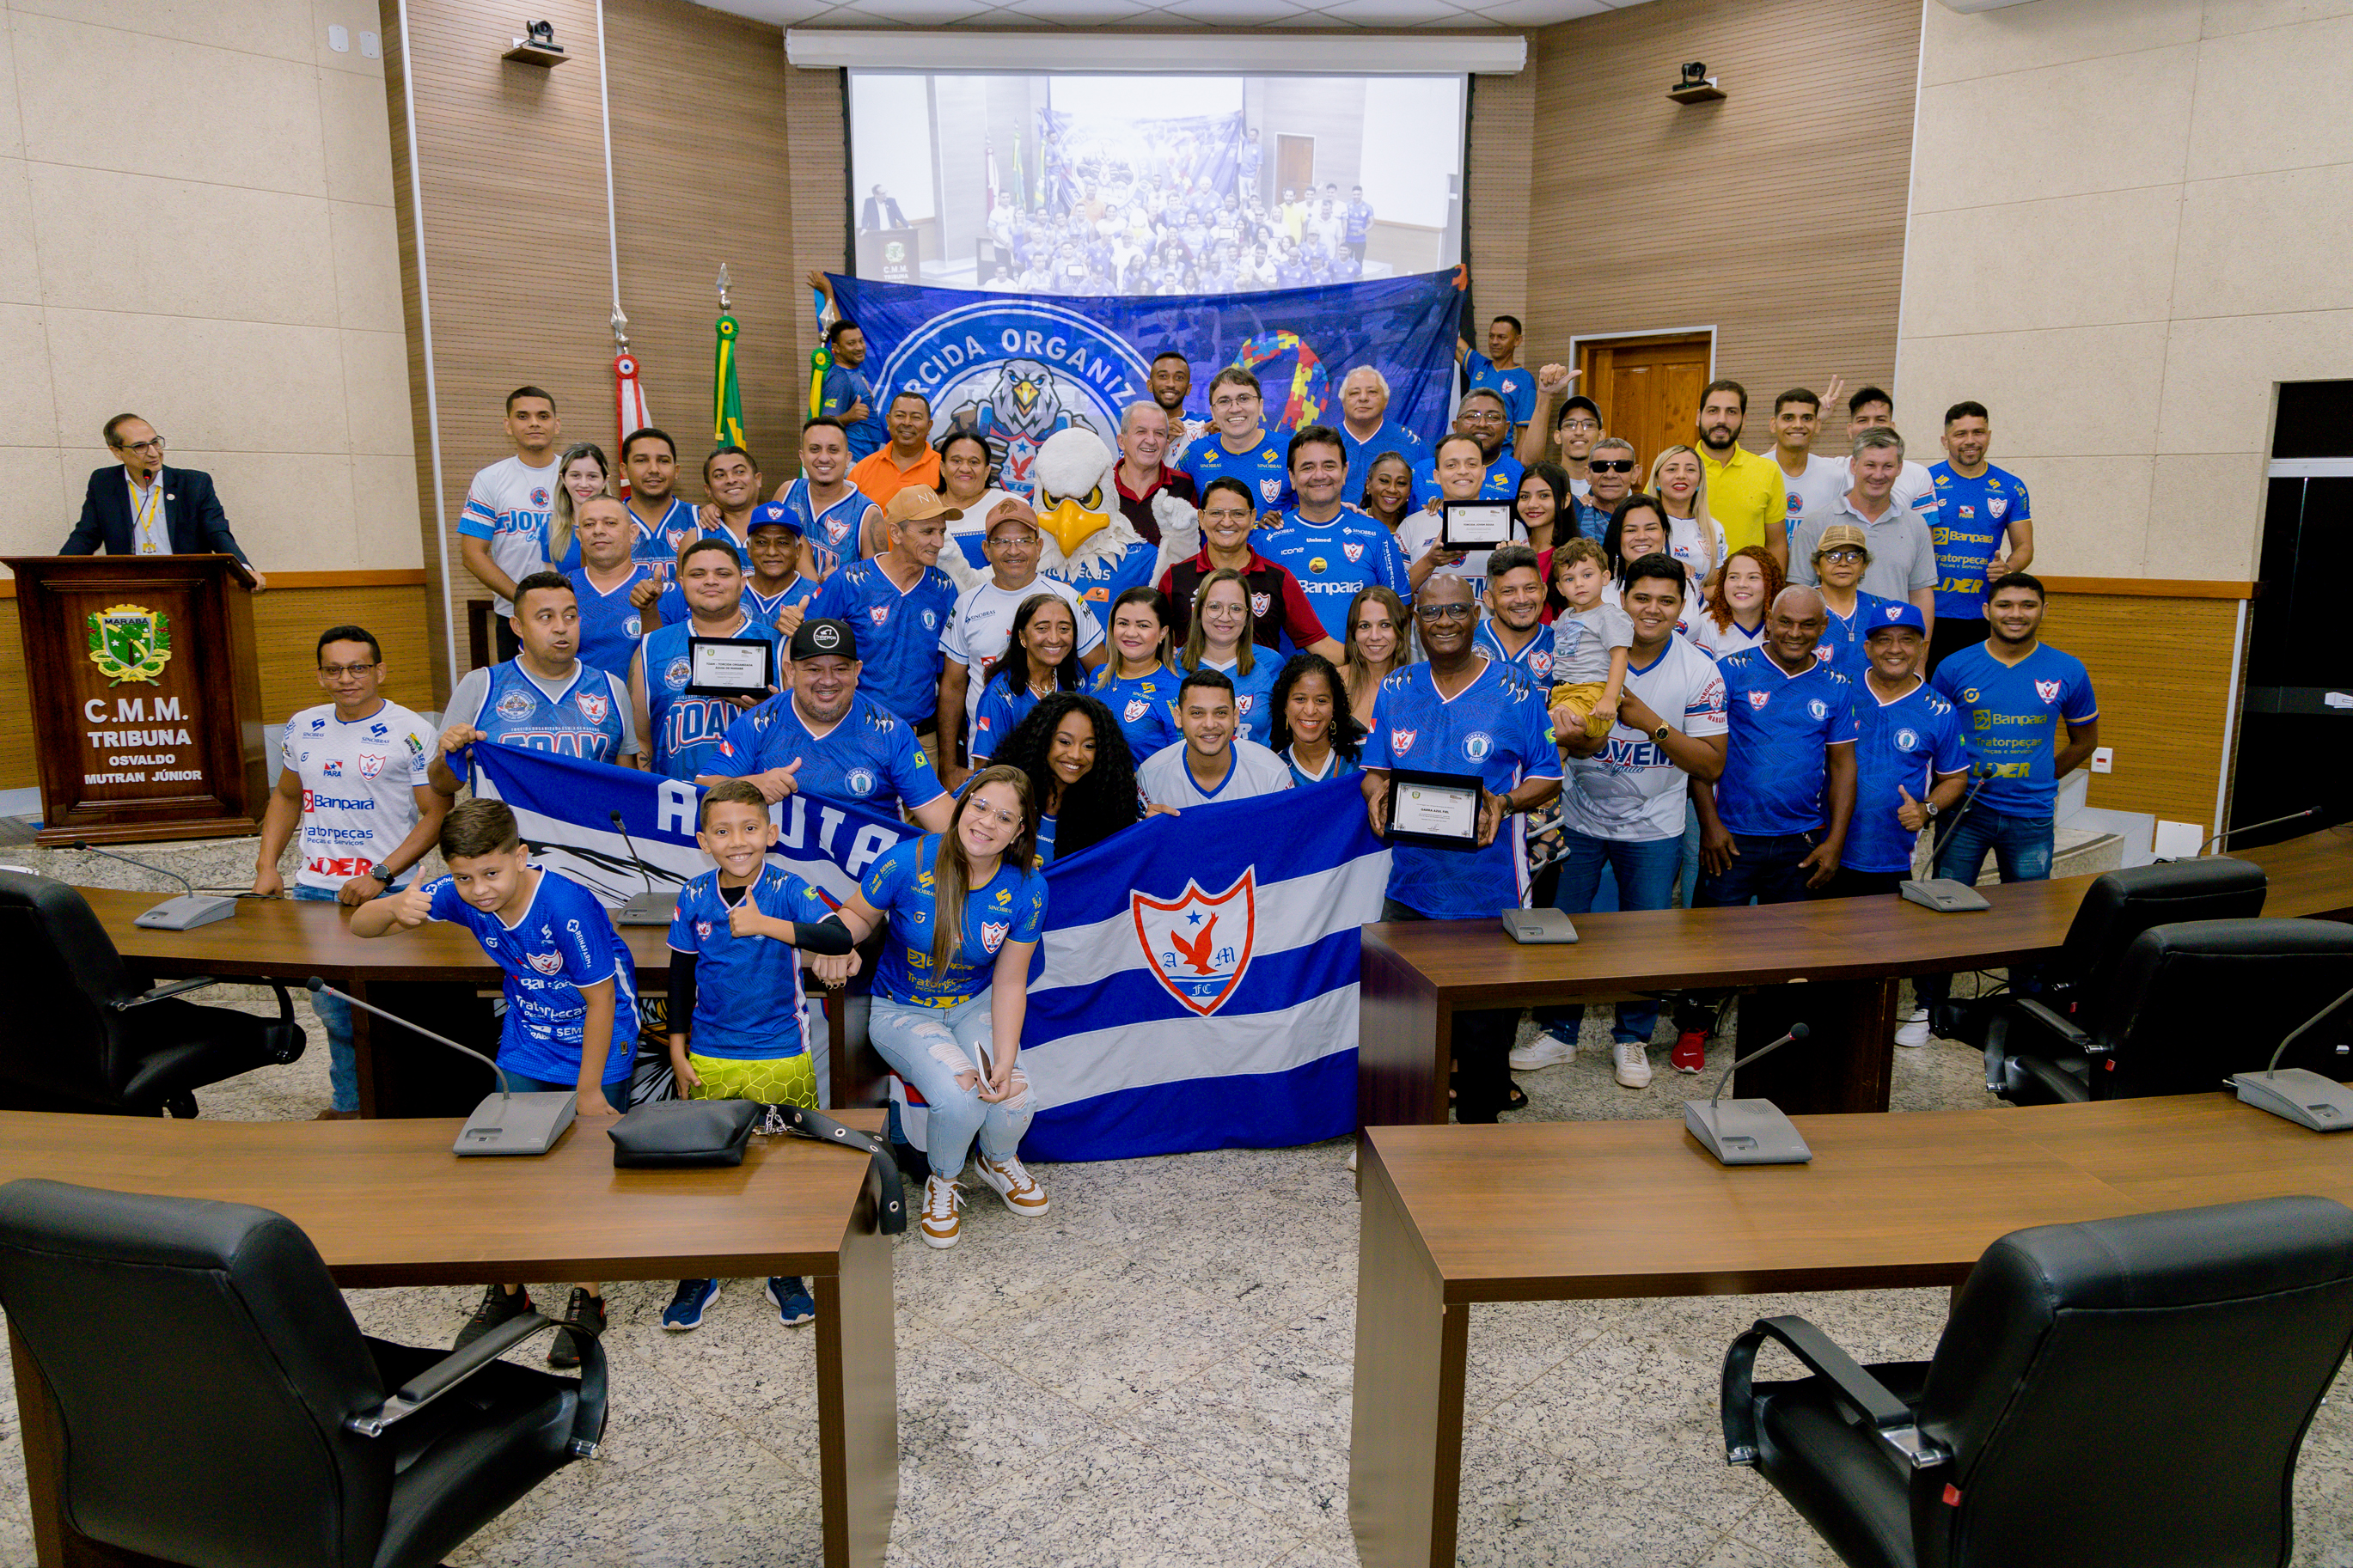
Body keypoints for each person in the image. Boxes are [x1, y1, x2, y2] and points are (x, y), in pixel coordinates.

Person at [352, 798, 638, 1364]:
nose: (479, 889)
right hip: (528, 1039)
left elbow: (602, 999)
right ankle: (510, 1291)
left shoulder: (565, 905)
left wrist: (587, 1091)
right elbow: (361, 925)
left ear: (521, 855)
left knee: (585, 1176)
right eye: (464, 877)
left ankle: (589, 1298)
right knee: (503, 1170)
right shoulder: (460, 895)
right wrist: (394, 907)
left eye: (491, 873)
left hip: (598, 1044)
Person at [1518, 555, 1727, 1088]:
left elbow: (1710, 763)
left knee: (1645, 939)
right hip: (1582, 822)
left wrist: (1649, 723)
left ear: (1683, 607)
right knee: (1566, 930)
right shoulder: (1585, 647)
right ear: (1621, 597)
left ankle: (1631, 1040)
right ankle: (1560, 1033)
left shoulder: (1699, 668)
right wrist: (1562, 732)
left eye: (1666, 600)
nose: (1652, 610)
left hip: (1656, 830)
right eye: (1642, 598)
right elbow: (1557, 741)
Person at [659, 779, 859, 1332]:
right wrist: (677, 1051)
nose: (738, 841)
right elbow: (679, 980)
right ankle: (702, 1270)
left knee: (785, 1165)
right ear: (704, 840)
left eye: (750, 829)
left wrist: (765, 926)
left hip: (781, 1056)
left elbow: (839, 939)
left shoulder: (789, 888)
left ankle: (785, 1269)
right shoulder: (694, 895)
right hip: (709, 1056)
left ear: (771, 833)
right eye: (722, 831)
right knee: (705, 1168)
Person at [1360, 576, 1561, 1121]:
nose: (1443, 621)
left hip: (1487, 890)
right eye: (1431, 612)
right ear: (1415, 622)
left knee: (1482, 1036)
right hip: (1411, 888)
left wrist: (1504, 803)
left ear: (1476, 614)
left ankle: (1479, 1145)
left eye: (1454, 610)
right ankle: (1401, 1141)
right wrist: (1377, 793)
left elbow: (1549, 774)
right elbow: (1376, 770)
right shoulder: (1398, 688)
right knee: (1400, 1025)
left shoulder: (1516, 688)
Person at [830, 767, 1050, 1248]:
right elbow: (856, 916)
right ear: (961, 806)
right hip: (902, 1010)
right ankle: (944, 1181)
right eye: (980, 806)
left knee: (1016, 1096)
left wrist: (1005, 1060)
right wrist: (838, 943)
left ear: (1019, 831)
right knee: (959, 1099)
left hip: (975, 1004)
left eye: (1005, 817)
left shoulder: (1028, 888)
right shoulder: (906, 860)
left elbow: (1011, 981)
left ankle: (996, 1160)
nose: (988, 823)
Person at [251, 625, 449, 1119]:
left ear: (380, 671)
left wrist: (381, 874)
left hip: (392, 892)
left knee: (397, 1011)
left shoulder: (412, 730)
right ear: (320, 676)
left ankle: (409, 1109)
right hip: (316, 891)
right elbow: (286, 796)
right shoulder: (303, 726)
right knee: (337, 1013)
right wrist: (267, 866)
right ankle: (352, 1108)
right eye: (334, 669)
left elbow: (437, 812)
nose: (346, 678)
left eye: (358, 667)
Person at [1913, 574, 2099, 1038]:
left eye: (2027, 605)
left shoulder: (2068, 670)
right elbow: (1938, 741)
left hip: (2031, 816)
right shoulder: (1954, 667)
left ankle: (2026, 1015)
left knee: (2028, 922)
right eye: (2006, 604)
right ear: (1987, 610)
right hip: (1966, 814)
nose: (2016, 613)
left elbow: (2085, 741)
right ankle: (1928, 1007)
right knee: (1944, 910)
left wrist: (2041, 776)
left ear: (2043, 610)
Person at [1694, 585, 1856, 908]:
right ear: (1769, 620)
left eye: (1808, 624)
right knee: (1711, 947)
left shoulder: (1837, 686)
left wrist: (1835, 843)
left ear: (1823, 627)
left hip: (1801, 843)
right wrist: (1709, 826)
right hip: (1730, 837)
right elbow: (1702, 756)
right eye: (1785, 622)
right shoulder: (1729, 671)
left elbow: (1843, 767)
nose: (1795, 633)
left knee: (1791, 952)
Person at [706, 619, 954, 829]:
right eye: (813, 669)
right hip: (780, 876)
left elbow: (936, 810)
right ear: (790, 672)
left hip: (867, 877)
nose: (827, 681)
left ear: (857, 672)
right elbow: (702, 789)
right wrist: (751, 785)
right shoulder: (757, 723)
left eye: (840, 669)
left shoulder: (891, 731)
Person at [939, 498, 1105, 781]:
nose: (1013, 550)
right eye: (1002, 541)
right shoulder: (967, 604)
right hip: (990, 755)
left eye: (1024, 540)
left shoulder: (1067, 598)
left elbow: (1103, 675)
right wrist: (948, 766)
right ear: (986, 549)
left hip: (1067, 763)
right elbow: (953, 688)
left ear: (1039, 547)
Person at [430, 573, 639, 795]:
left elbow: (627, 787)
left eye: (570, 616)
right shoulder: (481, 685)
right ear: (518, 627)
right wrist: (447, 757)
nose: (561, 627)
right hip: (507, 829)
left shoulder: (611, 688)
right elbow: (441, 786)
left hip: (586, 829)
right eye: (546, 617)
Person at [1837, 603, 1968, 906]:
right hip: (1823, 847)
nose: (1894, 649)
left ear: (1922, 648)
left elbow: (1956, 778)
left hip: (1890, 857)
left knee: (1880, 946)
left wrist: (1926, 810)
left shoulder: (1940, 710)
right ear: (1867, 648)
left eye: (1907, 640)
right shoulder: (1840, 692)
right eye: (1884, 640)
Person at [806, 485, 962, 734]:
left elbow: (950, 674)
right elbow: (808, 648)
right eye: (928, 531)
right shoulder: (850, 581)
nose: (939, 542)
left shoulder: (943, 588)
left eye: (942, 531)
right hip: (857, 734)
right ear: (895, 533)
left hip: (920, 738)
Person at [632, 539, 783, 781]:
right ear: (682, 584)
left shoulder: (779, 645)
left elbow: (799, 735)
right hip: (677, 804)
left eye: (723, 573)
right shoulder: (652, 647)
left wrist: (774, 714)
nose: (710, 581)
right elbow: (641, 741)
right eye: (697, 574)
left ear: (742, 583)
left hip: (758, 805)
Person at [1252, 425, 1413, 645]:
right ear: (1291, 476)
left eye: (1329, 465)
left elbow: (1400, 612)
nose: (1319, 475)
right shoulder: (1266, 538)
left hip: (1360, 675)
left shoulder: (1376, 534)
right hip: (1285, 677)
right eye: (1308, 467)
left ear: (1345, 472)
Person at [61, 412, 263, 584]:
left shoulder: (194, 483)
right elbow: (86, 535)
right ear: (117, 452)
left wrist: (243, 569)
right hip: (131, 585)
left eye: (155, 442)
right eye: (140, 446)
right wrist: (55, 571)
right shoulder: (104, 483)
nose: (153, 453)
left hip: (188, 584)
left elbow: (217, 533)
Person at [1157, 477, 1342, 660]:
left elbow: (1321, 644)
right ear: (1201, 518)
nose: (1227, 522)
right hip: (1192, 687)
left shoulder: (1278, 579)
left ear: (1252, 517)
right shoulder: (1175, 577)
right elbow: (1153, 641)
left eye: (1238, 513)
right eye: (1216, 513)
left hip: (1260, 688)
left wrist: (1366, 664)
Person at [1788, 429, 1938, 635]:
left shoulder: (1916, 525)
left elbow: (1921, 594)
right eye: (1870, 465)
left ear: (1900, 468)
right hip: (1827, 652)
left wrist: (1920, 659)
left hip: (1892, 651)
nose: (1878, 475)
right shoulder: (1816, 523)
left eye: (1887, 466)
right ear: (1854, 465)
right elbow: (1797, 595)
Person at [1927, 401, 2034, 669]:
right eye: (1960, 434)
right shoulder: (1924, 482)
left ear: (1988, 435)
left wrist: (2008, 568)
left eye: (1978, 432)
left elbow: (2025, 547)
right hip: (1930, 612)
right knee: (1930, 695)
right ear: (1945, 440)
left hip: (1985, 615)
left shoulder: (2011, 486)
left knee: (1978, 698)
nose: (1970, 441)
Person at [457, 387, 562, 650]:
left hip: (574, 613)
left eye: (543, 416)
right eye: (523, 416)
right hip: (514, 615)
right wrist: (523, 598)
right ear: (508, 425)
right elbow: (472, 554)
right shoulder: (489, 479)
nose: (534, 423)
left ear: (556, 425)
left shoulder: (580, 475)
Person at [992, 692, 1140, 862]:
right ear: (1041, 738)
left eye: (1089, 746)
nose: (1076, 755)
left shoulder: (1106, 809)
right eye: (1064, 742)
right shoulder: (1000, 787)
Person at [1137, 668, 1295, 808]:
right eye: (1197, 713)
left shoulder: (1271, 771)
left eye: (1220, 713)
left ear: (1235, 717)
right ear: (1178, 717)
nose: (1210, 724)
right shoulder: (1151, 775)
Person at [970, 595, 1087, 767]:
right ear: (1022, 637)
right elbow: (985, 770)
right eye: (1042, 629)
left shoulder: (1076, 681)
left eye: (1064, 629)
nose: (1054, 638)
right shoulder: (999, 695)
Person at [1176, 568, 1281, 743]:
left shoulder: (1271, 664)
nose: (1225, 617)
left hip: (1254, 769)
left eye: (1236, 608)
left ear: (1247, 614)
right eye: (1215, 607)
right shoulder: (1173, 664)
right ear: (1198, 611)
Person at [769, 418, 880, 582]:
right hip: (785, 604)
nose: (823, 458)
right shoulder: (786, 493)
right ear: (802, 456)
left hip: (841, 606)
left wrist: (839, 586)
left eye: (833, 450)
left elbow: (877, 585)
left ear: (848, 458)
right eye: (814, 449)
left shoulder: (867, 514)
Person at [1545, 538, 1633, 741]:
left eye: (1587, 575)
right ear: (1559, 588)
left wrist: (1610, 699)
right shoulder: (1565, 616)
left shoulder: (1609, 615)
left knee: (1546, 730)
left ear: (1605, 577)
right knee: (1554, 750)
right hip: (1562, 692)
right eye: (1569, 579)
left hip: (1591, 693)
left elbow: (1620, 657)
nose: (1579, 584)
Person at [1397, 433, 1500, 603]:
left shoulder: (1508, 526)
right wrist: (1429, 561)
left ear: (1483, 472)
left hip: (1486, 630)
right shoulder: (1411, 526)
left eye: (1471, 464)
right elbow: (1396, 597)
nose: (1462, 471)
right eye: (1451, 465)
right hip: (1428, 629)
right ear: (1436, 476)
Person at [1090, 585, 1185, 764]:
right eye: (1123, 623)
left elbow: (1181, 764)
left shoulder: (1176, 690)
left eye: (1143, 625)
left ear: (1162, 633)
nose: (1131, 633)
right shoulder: (1097, 676)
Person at [1180, 367, 1293, 516]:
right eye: (1224, 401)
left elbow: (1307, 515)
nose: (1235, 409)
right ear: (1213, 413)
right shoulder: (1195, 453)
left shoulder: (1289, 450)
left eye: (1244, 399)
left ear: (1260, 406)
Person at [1694, 380, 1788, 558]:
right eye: (1713, 411)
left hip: (1745, 585)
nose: (1721, 420)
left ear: (1743, 420)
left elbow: (1776, 544)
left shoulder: (1767, 471)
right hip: (1683, 584)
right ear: (1699, 417)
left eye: (1731, 412)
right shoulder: (1672, 470)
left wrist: (1774, 586)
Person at [562, 494, 653, 677]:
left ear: (632, 533)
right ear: (580, 536)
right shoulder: (559, 590)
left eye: (610, 523)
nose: (598, 530)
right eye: (589, 525)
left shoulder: (664, 589)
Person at [1807, 522, 1898, 686]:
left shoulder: (1882, 609)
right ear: (1817, 566)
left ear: (1864, 566)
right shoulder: (1802, 606)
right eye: (1832, 556)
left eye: (1853, 556)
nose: (1843, 563)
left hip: (1869, 704)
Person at [806, 272, 884, 461]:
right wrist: (849, 416)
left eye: (860, 341)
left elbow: (839, 328)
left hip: (866, 459)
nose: (858, 347)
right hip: (853, 464)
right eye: (851, 344)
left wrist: (828, 292)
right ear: (837, 349)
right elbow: (824, 424)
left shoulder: (853, 368)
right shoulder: (840, 378)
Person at [1768, 388, 1845, 576]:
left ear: (1818, 425)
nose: (1797, 425)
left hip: (1817, 582)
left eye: (1807, 418)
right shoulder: (1756, 471)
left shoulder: (1835, 476)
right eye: (1788, 418)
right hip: (1764, 582)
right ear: (1773, 424)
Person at [1409, 388, 1522, 509]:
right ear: (1455, 427)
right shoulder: (1420, 473)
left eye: (1493, 417)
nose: (1482, 424)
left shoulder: (1518, 474)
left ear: (1506, 429)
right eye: (1472, 416)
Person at [619, 428, 701, 594]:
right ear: (624, 470)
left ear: (676, 470)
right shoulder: (610, 522)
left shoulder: (701, 519)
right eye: (642, 460)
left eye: (663, 461)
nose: (654, 469)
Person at [936, 429, 1026, 571]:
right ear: (942, 468)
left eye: (973, 462)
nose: (965, 468)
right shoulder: (924, 506)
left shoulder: (1011, 505)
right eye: (956, 461)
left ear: (986, 471)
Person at [1268, 650, 1361, 786]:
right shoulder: (1273, 770)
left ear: (1334, 707)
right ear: (1285, 706)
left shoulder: (1363, 758)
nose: (1310, 711)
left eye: (1321, 701)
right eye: (1300, 699)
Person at [1111, 400, 1195, 548]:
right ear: (1121, 441)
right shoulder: (1100, 487)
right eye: (1141, 431)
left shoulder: (1186, 486)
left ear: (1166, 445)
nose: (1151, 440)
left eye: (1159, 433)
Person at [1475, 543, 1554, 689]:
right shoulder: (1467, 642)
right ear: (1489, 599)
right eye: (1508, 591)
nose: (1522, 599)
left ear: (1543, 592)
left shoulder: (1560, 645)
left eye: (1530, 588)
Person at [1335, 366, 1426, 493]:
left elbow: (1426, 494)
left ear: (1386, 400)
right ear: (1343, 401)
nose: (1363, 398)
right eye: (1354, 393)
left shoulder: (1409, 441)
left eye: (1372, 392)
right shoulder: (1325, 442)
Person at [849, 391, 944, 510]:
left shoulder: (945, 470)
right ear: (888, 421)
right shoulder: (862, 470)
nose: (907, 423)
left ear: (929, 426)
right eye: (900, 415)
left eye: (916, 417)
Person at [1650, 445, 1727, 588]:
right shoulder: (1643, 524)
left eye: (1690, 469)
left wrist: (1692, 600)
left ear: (1699, 481)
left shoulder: (1714, 528)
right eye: (1672, 469)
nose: (1681, 475)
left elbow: (1718, 586)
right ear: (1657, 480)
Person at [1689, 545, 1782, 659]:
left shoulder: (1781, 628)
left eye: (1753, 577)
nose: (1741, 584)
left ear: (1770, 584)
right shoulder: (1706, 626)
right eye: (1733, 577)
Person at [742, 509, 822, 631]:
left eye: (782, 543)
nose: (771, 552)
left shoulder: (816, 596)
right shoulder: (732, 590)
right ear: (749, 549)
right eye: (762, 542)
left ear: (798, 551)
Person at [1342, 584, 1410, 727]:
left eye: (1385, 625)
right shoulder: (1334, 682)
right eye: (1364, 626)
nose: (1374, 636)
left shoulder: (1418, 685)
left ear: (1400, 631)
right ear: (1353, 633)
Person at [1458, 314, 1536, 436]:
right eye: (1491, 336)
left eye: (1501, 337)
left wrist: (1515, 457)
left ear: (1517, 340)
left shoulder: (1524, 379)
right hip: (1471, 450)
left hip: (1500, 453)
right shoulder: (1478, 365)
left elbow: (1524, 432)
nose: (1494, 342)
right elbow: (1451, 338)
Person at [545, 441, 614, 572]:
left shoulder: (623, 526)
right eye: (575, 475)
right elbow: (552, 587)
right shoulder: (551, 530)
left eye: (592, 476)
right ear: (564, 479)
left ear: (605, 480)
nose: (583, 484)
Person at [1517, 366, 1597, 478]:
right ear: (1558, 436)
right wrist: (1545, 395)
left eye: (1588, 425)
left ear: (1601, 435)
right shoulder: (1549, 481)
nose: (1579, 432)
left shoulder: (1613, 481)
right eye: (1570, 425)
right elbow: (1530, 462)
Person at [1146, 351, 1205, 467]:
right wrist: (1161, 436)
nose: (1171, 384)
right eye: (1163, 376)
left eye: (1179, 378)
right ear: (1150, 385)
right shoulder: (1135, 426)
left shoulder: (1206, 424)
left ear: (1189, 389)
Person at [1511, 462, 1575, 558]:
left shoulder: (1576, 555)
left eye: (1544, 495)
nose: (1531, 504)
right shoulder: (1511, 549)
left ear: (1565, 501)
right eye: (1524, 496)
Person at [1357, 451, 1415, 538]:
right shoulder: (1351, 524)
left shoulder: (1415, 529)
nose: (1392, 489)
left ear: (1409, 491)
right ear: (1368, 484)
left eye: (1401, 483)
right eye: (1384, 481)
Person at [1342, 184, 1373, 266]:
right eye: (1354, 194)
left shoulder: (1368, 207)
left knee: (1359, 263)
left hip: (1361, 241)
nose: (1356, 196)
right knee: (1347, 262)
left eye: (1358, 194)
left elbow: (1372, 222)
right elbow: (1343, 221)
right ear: (1352, 194)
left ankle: (1358, 278)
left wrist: (1365, 230)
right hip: (1348, 240)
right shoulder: (1347, 206)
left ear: (1362, 195)